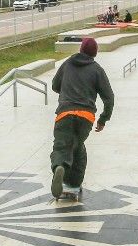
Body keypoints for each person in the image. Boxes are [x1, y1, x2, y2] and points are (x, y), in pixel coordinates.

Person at [49, 37, 115, 200]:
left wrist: (67, 92)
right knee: (78, 148)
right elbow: (109, 97)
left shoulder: (68, 63)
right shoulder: (97, 69)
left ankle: (59, 167)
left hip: (65, 113)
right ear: (95, 53)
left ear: (80, 49)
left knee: (62, 147)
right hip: (86, 117)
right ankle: (74, 184)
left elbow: (55, 85)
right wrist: (103, 119)